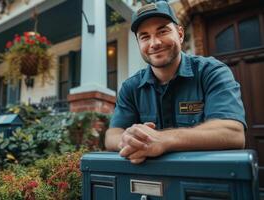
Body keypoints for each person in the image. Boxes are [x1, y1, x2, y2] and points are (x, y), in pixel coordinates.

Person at [105, 1, 246, 164]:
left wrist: (163, 139)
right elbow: (112, 135)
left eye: (162, 31)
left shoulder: (211, 72)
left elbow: (233, 133)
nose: (154, 43)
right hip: (150, 181)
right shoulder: (131, 87)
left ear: (179, 34)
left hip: (206, 179)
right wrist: (129, 140)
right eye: (144, 37)